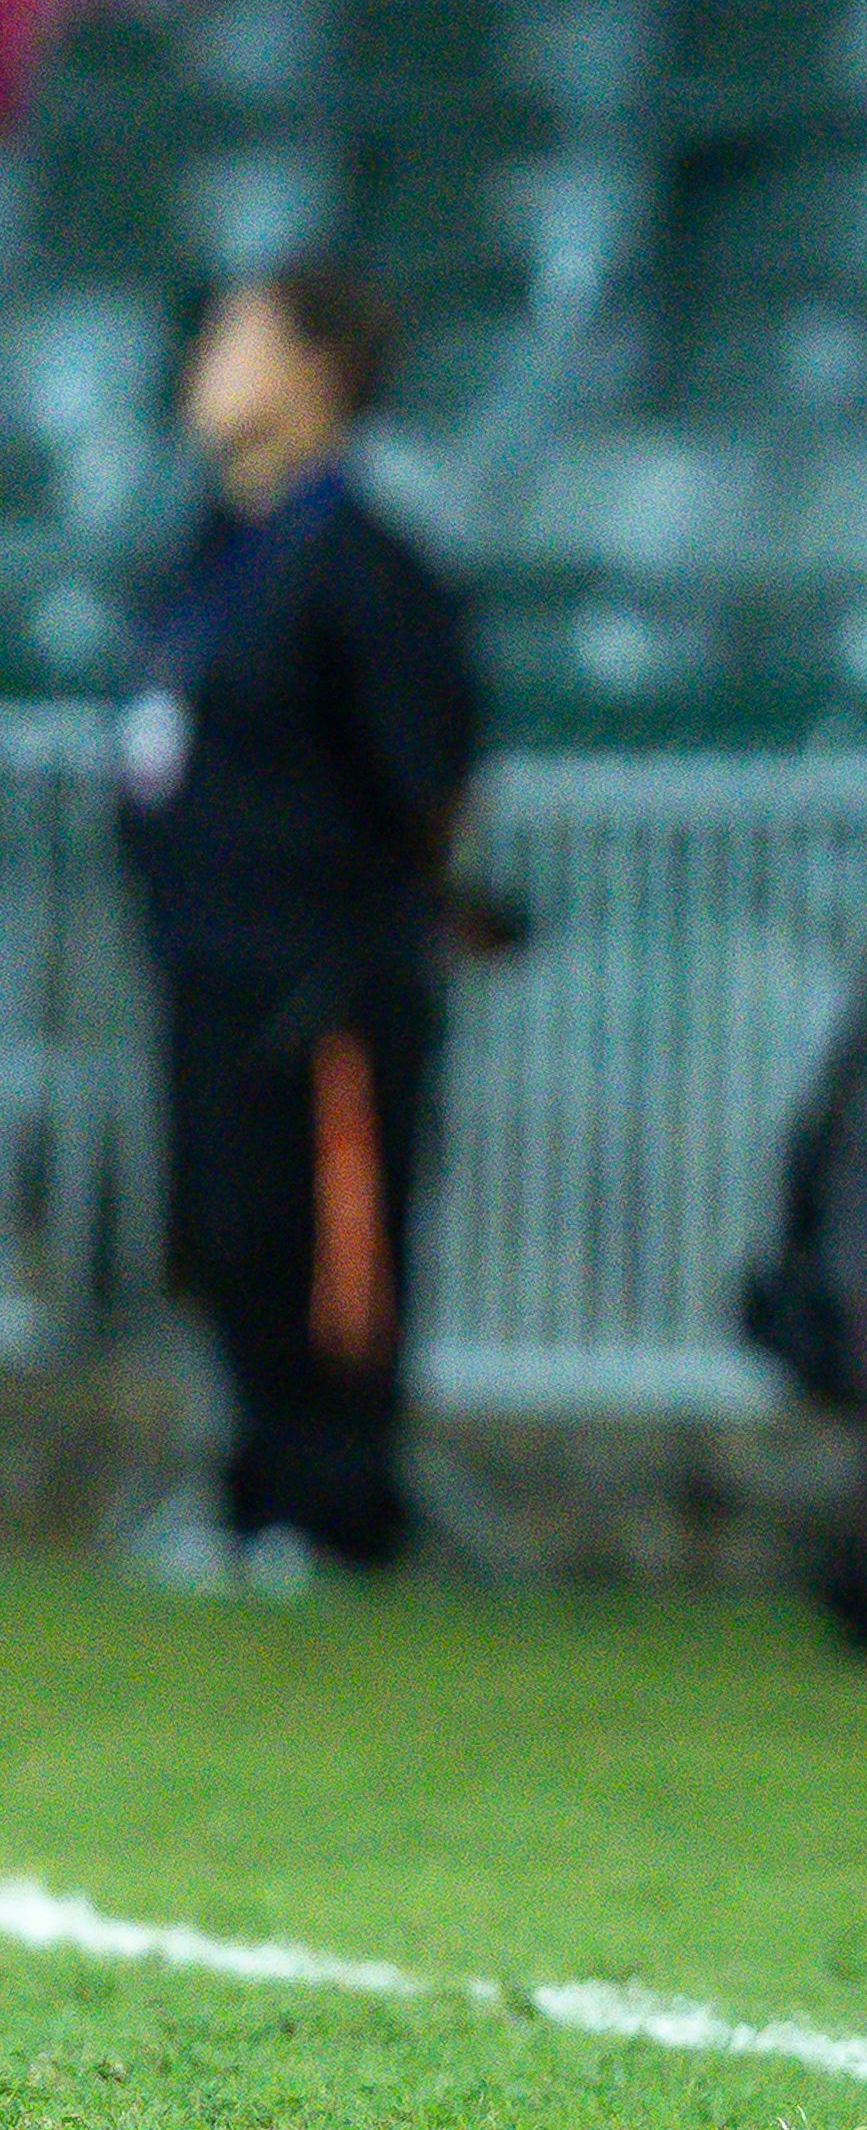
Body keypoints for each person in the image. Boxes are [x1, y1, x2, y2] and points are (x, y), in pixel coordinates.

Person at [120, 262, 481, 1593]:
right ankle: (255, 1492)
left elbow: (428, 774)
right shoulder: (214, 546)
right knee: (232, 1231)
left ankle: (337, 1508)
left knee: (333, 1243)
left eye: (235, 338)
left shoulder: (369, 563)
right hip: (206, 960)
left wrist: (368, 918)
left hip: (323, 972)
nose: (205, 363)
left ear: (313, 371)